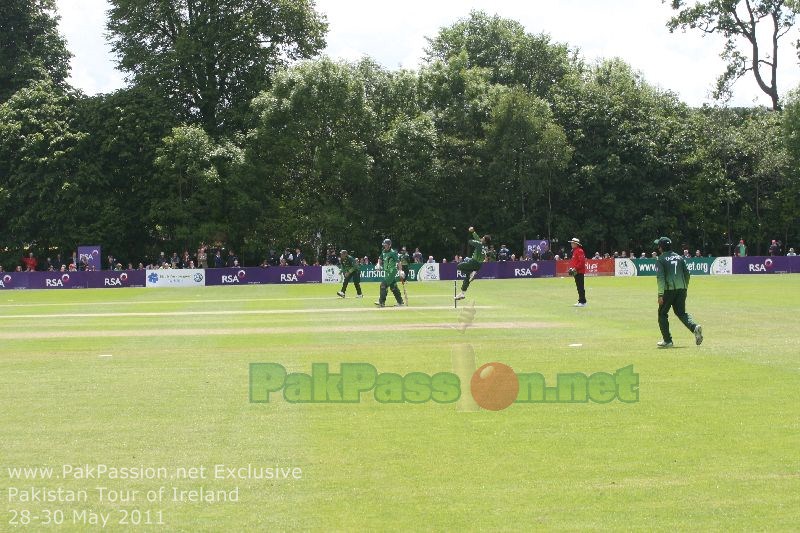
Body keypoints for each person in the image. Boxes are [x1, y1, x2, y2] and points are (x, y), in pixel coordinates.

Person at [653, 236, 703, 348]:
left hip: (668, 290)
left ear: (661, 248)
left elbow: (660, 278)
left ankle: (668, 341)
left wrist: (660, 294)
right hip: (682, 289)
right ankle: (694, 327)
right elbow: (687, 274)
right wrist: (685, 287)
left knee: (662, 314)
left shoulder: (660, 259)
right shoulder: (679, 258)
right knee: (681, 313)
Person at [454, 227, 490, 301]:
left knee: (459, 266)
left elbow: (470, 241)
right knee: (467, 278)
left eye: (482, 238)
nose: (481, 238)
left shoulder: (480, 244)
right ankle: (462, 293)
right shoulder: (486, 247)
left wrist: (475, 238)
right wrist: (473, 232)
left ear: (484, 240)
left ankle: (471, 273)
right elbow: (479, 241)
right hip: (479, 265)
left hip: (474, 262)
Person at [374, 239, 404, 307]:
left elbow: (398, 262)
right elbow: (380, 258)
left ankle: (381, 302)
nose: (385, 246)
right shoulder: (383, 251)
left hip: (392, 271)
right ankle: (400, 302)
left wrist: (400, 271)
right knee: (393, 287)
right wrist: (378, 264)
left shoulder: (393, 253)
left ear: (390, 245)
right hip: (387, 272)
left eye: (386, 245)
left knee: (383, 285)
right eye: (384, 245)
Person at [567, 237, 587, 307]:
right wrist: (571, 268)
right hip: (576, 271)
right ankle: (580, 301)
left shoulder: (579, 251)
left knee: (580, 287)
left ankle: (583, 302)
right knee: (578, 287)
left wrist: (575, 268)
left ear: (576, 244)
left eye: (572, 243)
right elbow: (574, 261)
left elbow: (582, 262)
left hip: (579, 271)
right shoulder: (574, 251)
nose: (571, 244)